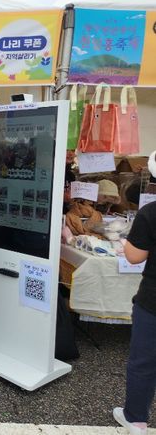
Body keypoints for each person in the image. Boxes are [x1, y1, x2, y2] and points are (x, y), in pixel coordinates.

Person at [113, 161, 156, 435]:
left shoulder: (150, 213)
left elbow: (134, 255)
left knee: (144, 361)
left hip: (153, 300)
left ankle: (136, 420)